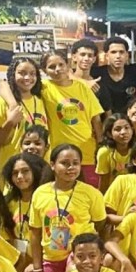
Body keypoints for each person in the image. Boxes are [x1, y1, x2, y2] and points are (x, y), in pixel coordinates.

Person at [29, 144, 107, 272]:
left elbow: (101, 225)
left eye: (75, 163)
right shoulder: (40, 193)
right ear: (52, 165)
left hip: (79, 257)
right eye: (65, 163)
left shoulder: (91, 193)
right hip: (51, 258)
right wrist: (38, 270)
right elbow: (35, 233)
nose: (71, 167)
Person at [37, 51, 104, 187]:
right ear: (44, 70)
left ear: (68, 65)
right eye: (52, 67)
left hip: (86, 152)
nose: (57, 69)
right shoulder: (43, 88)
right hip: (58, 154)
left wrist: (101, 144)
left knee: (89, 193)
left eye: (61, 64)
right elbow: (7, 84)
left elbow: (96, 119)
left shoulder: (83, 88)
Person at [0, 58, 46, 191]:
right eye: (22, 73)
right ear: (13, 74)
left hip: (38, 172)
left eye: (32, 73)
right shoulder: (1, 103)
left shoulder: (42, 100)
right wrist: (10, 122)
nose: (28, 77)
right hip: (11, 174)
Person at [91, 37, 136, 115]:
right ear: (107, 56)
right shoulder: (96, 73)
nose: (118, 56)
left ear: (127, 55)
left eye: (121, 52)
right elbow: (74, 75)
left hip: (130, 119)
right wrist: (85, 82)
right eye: (113, 52)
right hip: (105, 119)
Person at [69, 39, 113, 115]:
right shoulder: (66, 80)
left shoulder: (98, 85)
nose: (86, 58)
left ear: (94, 59)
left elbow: (108, 113)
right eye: (82, 54)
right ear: (74, 57)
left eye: (90, 55)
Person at [96, 113, 135, 192]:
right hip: (113, 193)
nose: (123, 132)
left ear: (132, 130)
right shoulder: (104, 152)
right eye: (117, 129)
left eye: (127, 128)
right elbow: (104, 183)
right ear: (109, 134)